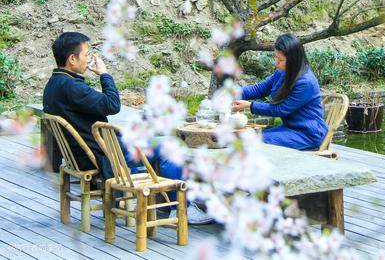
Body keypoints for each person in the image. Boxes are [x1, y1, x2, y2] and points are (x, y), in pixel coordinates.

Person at [42, 32, 212, 224]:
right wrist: (105, 74)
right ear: (72, 59)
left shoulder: (54, 83)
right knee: (167, 149)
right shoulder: (72, 87)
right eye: (86, 54)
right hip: (103, 155)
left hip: (80, 155)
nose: (89, 58)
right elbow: (113, 104)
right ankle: (181, 209)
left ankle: (165, 200)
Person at [232, 33, 328, 150]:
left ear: (293, 60)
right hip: (289, 129)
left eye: (280, 59)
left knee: (252, 140)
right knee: (246, 135)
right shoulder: (282, 72)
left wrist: (250, 105)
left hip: (307, 134)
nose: (276, 63)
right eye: (275, 57)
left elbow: (280, 109)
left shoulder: (306, 82)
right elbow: (260, 89)